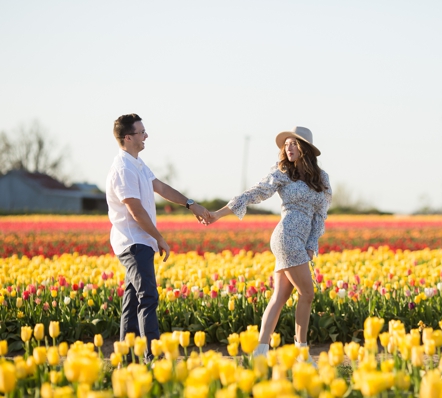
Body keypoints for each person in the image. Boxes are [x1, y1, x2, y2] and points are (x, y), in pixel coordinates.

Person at [207, 126, 332, 357]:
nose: (288, 148)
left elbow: (319, 215)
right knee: (307, 294)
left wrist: (311, 245)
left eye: (294, 143)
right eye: (286, 144)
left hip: (300, 239)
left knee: (280, 296)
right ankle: (302, 354)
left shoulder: (321, 178)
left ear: (305, 148)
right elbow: (255, 192)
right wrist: (218, 213)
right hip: (286, 236)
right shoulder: (283, 172)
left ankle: (260, 353)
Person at [106, 113, 212, 362]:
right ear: (128, 137)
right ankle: (153, 357)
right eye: (141, 132)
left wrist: (190, 204)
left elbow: (161, 188)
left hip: (140, 241)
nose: (146, 136)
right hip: (134, 242)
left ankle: (127, 358)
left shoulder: (137, 164)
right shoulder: (123, 169)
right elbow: (136, 211)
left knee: (133, 301)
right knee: (148, 297)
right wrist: (160, 238)